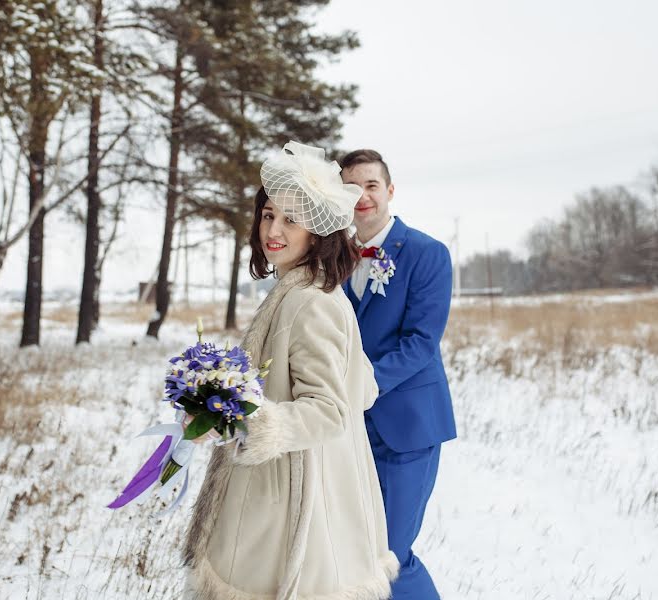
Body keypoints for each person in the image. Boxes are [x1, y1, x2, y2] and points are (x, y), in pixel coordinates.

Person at [182, 141, 399, 600]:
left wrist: (247, 419)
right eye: (267, 215)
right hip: (293, 480)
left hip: (294, 495)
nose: (273, 230)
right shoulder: (304, 289)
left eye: (291, 219)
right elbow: (360, 384)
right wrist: (219, 404)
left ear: (317, 232)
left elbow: (329, 409)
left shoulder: (309, 302)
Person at [340, 149, 456, 600]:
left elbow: (421, 343)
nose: (362, 196)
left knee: (390, 553)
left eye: (371, 185)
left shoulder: (427, 253)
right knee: (355, 549)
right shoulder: (335, 258)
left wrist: (361, 384)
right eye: (351, 188)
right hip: (348, 429)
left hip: (407, 425)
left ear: (389, 191)